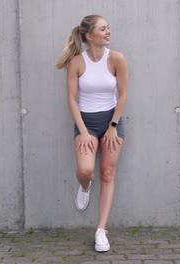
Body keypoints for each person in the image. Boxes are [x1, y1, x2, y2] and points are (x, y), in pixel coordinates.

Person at [55, 15, 128, 253]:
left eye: (108, 27)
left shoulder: (116, 58)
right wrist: (84, 132)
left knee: (107, 173)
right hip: (85, 122)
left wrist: (113, 125)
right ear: (89, 36)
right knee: (86, 170)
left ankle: (101, 230)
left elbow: (124, 94)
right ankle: (85, 187)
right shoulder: (77, 62)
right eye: (103, 28)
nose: (108, 31)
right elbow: (72, 99)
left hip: (111, 122)